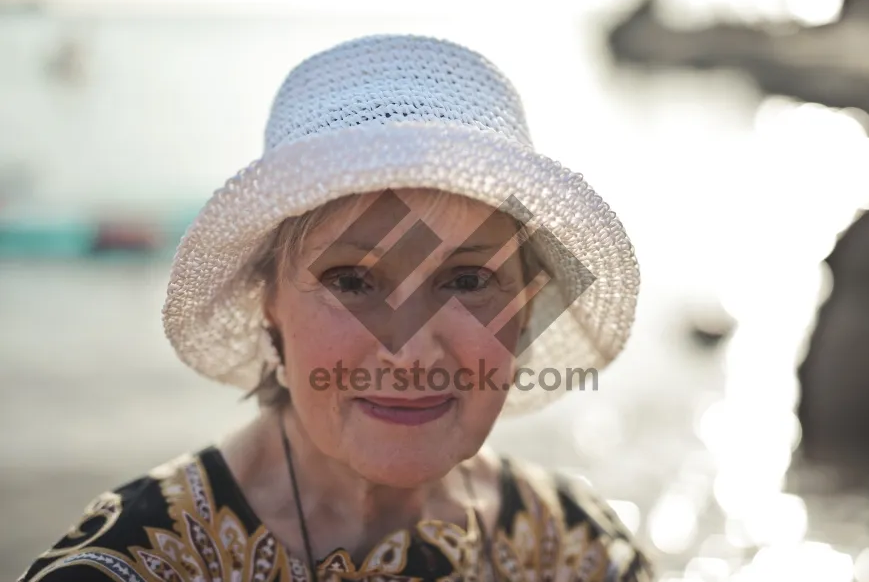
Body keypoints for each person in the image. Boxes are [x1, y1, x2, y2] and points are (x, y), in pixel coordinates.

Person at [19, 34, 652, 582]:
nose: (409, 350)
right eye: (352, 280)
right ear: (267, 302)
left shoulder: (583, 554)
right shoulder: (134, 564)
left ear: (524, 308)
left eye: (467, 280)